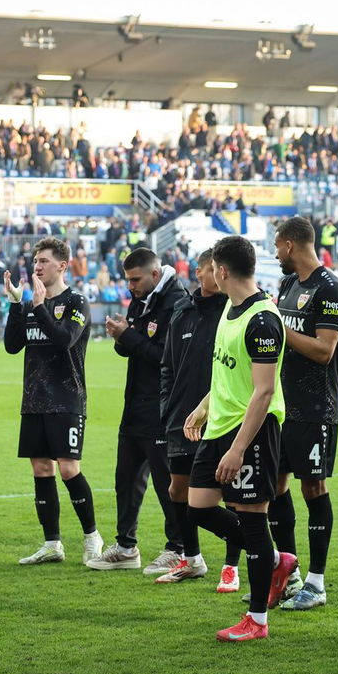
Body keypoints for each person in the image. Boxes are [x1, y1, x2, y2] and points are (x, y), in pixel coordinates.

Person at [182, 235, 298, 640]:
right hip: (219, 424)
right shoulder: (231, 308)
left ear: (222, 270)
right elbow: (228, 371)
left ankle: (257, 620)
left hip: (252, 431)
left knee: (252, 519)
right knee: (198, 507)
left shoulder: (263, 319)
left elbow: (264, 391)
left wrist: (237, 449)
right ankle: (275, 559)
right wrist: (204, 405)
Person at [3, 236, 101, 565]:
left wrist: (39, 307)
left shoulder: (76, 302)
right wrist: (16, 304)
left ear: (62, 265)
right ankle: (52, 544)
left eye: (43, 261)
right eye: (35, 262)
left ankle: (92, 537)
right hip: (34, 400)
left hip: (66, 398)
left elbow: (64, 340)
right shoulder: (32, 303)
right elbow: (12, 346)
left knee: (69, 468)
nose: (37, 267)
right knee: (41, 469)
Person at [91, 248, 189, 571]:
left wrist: (129, 337)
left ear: (155, 274)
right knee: (126, 478)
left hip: (162, 407)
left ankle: (179, 548)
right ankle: (125, 546)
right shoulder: (141, 299)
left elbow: (166, 358)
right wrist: (122, 338)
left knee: (166, 482)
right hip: (135, 403)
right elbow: (134, 348)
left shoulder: (176, 303)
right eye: (128, 280)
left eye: (135, 279)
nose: (130, 286)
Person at [272, 216, 338, 611]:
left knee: (313, 488)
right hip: (283, 405)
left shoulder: (328, 287)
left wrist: (278, 326)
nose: (275, 254)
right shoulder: (288, 285)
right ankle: (289, 575)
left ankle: (316, 583)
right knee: (275, 485)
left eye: (276, 246)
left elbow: (324, 351)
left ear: (289, 244)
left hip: (316, 407)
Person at [152, 249, 223, 584]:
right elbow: (167, 365)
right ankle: (191, 558)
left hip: (221, 417)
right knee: (178, 490)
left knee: (229, 494)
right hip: (182, 417)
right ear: (199, 272)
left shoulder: (234, 310)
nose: (218, 276)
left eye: (221, 270)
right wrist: (169, 407)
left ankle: (232, 566)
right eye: (212, 269)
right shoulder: (182, 310)